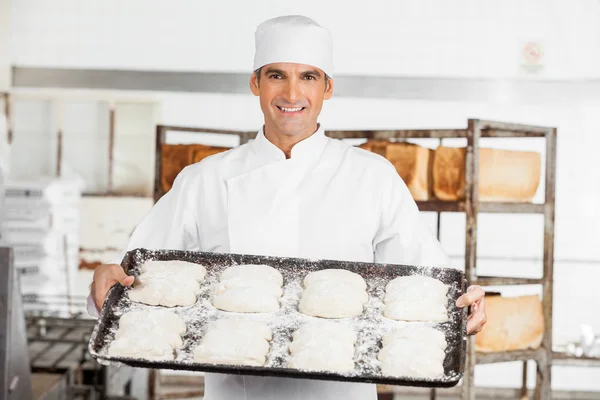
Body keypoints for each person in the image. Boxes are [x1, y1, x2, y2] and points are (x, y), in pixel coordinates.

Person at [89, 15, 487, 400]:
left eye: (308, 77)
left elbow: (427, 283)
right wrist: (105, 281)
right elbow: (133, 281)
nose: (292, 94)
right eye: (277, 75)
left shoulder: (372, 176)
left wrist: (463, 306)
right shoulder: (205, 180)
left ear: (327, 88)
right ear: (255, 84)